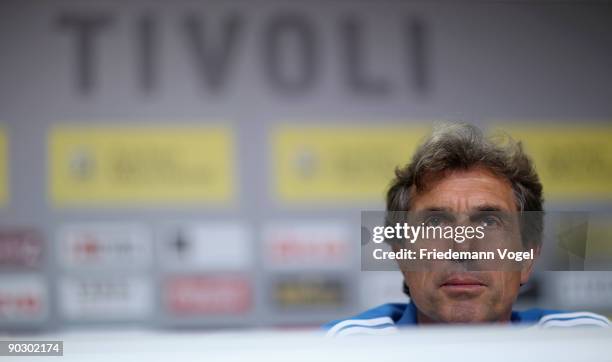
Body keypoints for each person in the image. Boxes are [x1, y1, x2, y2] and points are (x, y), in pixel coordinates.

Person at [325, 123, 610, 336]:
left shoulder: (585, 342)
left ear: (526, 258)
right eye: (436, 223)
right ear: (402, 256)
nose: (462, 247)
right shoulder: (341, 349)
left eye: (488, 222)